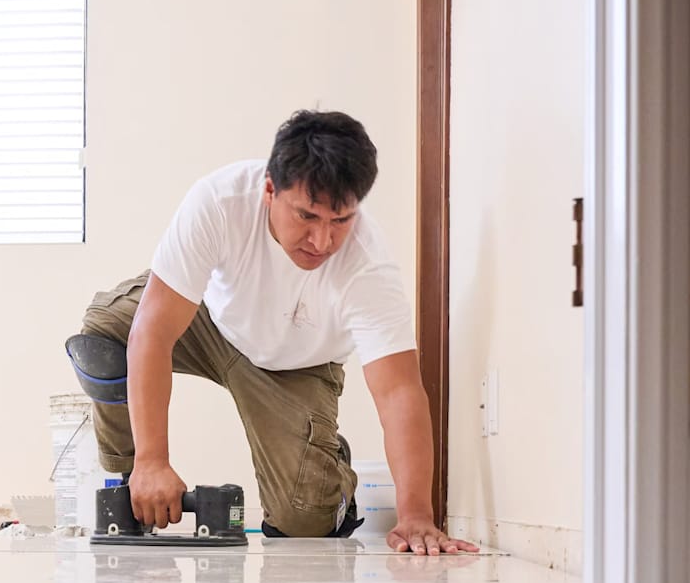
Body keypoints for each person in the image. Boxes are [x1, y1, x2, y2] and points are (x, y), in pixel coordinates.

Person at [65, 110, 478, 555]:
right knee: (105, 337)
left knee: (303, 521)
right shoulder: (219, 202)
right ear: (268, 190)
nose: (322, 241)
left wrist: (415, 514)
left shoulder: (367, 265)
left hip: (295, 365)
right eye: (307, 216)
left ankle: (326, 463)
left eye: (340, 221)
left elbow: (399, 391)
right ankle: (130, 482)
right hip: (208, 321)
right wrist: (151, 461)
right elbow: (152, 330)